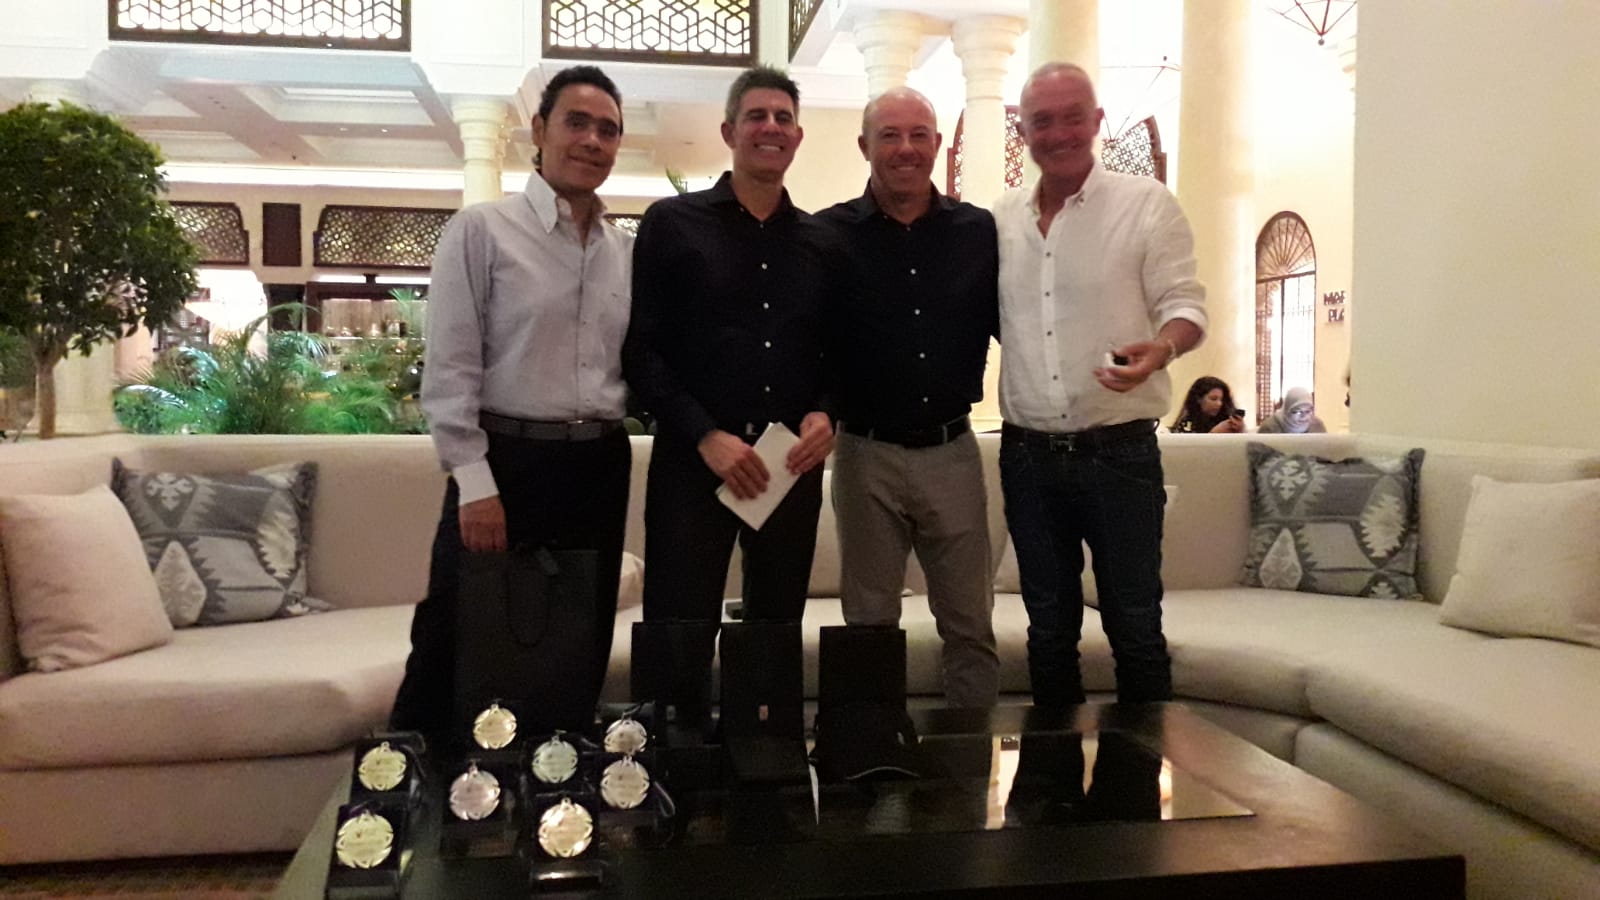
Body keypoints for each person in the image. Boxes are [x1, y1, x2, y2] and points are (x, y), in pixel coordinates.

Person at [389, 65, 633, 747]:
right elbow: (450, 369)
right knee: (455, 638)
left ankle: (561, 788)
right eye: (577, 123)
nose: (592, 140)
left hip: (597, 465)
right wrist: (474, 483)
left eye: (608, 130)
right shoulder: (483, 231)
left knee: (574, 645)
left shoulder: (624, 252)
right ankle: (412, 792)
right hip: (506, 462)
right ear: (539, 131)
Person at [622, 65, 838, 727]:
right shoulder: (672, 224)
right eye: (756, 116)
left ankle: (764, 768)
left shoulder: (822, 243)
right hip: (694, 464)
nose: (771, 128)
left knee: (774, 634)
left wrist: (827, 411)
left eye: (783, 118)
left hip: (786, 466)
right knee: (678, 632)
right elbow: (641, 351)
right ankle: (670, 771)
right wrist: (704, 435)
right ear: (729, 131)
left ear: (797, 136)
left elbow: (836, 352)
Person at [995, 62, 1207, 706]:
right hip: (1027, 457)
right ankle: (1052, 769)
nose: (1059, 133)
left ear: (1097, 121)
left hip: (1120, 455)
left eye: (1072, 117)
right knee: (1048, 632)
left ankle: (1142, 770)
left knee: (1135, 627)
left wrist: (1162, 349)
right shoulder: (998, 221)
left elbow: (1186, 305)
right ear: (1022, 132)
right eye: (1042, 121)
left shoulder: (1146, 204)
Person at [815, 87, 999, 709]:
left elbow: (1020, 321)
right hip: (865, 453)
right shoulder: (828, 235)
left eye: (919, 134)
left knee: (970, 625)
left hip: (953, 450)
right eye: (890, 135)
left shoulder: (977, 231)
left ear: (938, 145)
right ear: (864, 146)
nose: (906, 148)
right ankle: (872, 755)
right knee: (868, 625)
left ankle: (967, 759)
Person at [1171, 376, 1244, 434]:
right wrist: (1214, 434)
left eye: (1222, 400)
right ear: (1199, 399)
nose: (1219, 404)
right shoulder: (1186, 424)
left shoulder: (1225, 420)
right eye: (1213, 399)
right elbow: (1190, 447)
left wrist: (1240, 431)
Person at [1256, 386, 1326, 433]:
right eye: (1298, 411)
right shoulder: (1269, 428)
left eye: (1307, 411)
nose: (1303, 416)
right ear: (1287, 410)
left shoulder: (1317, 426)